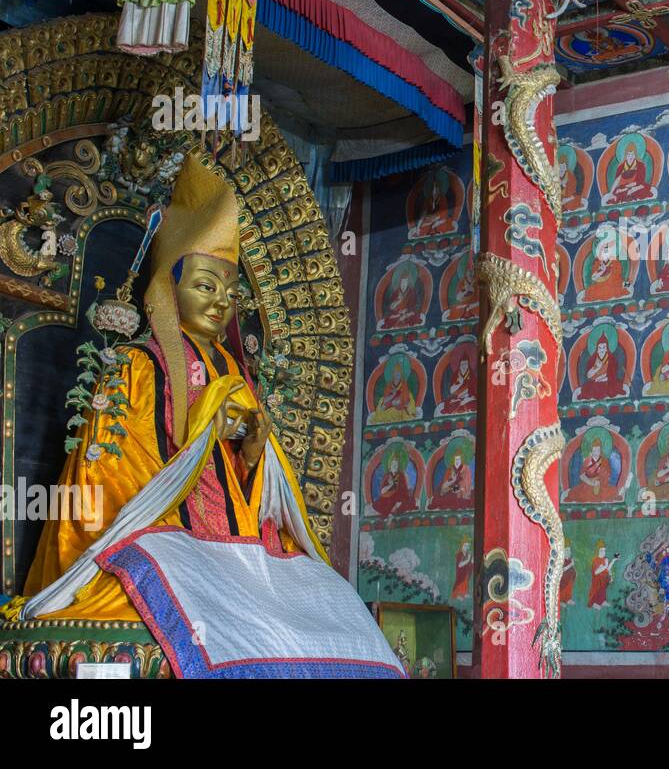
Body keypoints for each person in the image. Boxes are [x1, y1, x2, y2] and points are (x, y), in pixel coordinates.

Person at [8, 156, 389, 663]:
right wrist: (207, 431)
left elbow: (246, 486)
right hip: (163, 533)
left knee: (327, 599)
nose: (221, 302)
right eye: (206, 285)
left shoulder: (233, 371)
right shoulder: (138, 366)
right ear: (170, 286)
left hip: (237, 544)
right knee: (169, 596)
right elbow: (113, 479)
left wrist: (253, 453)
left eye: (231, 292)